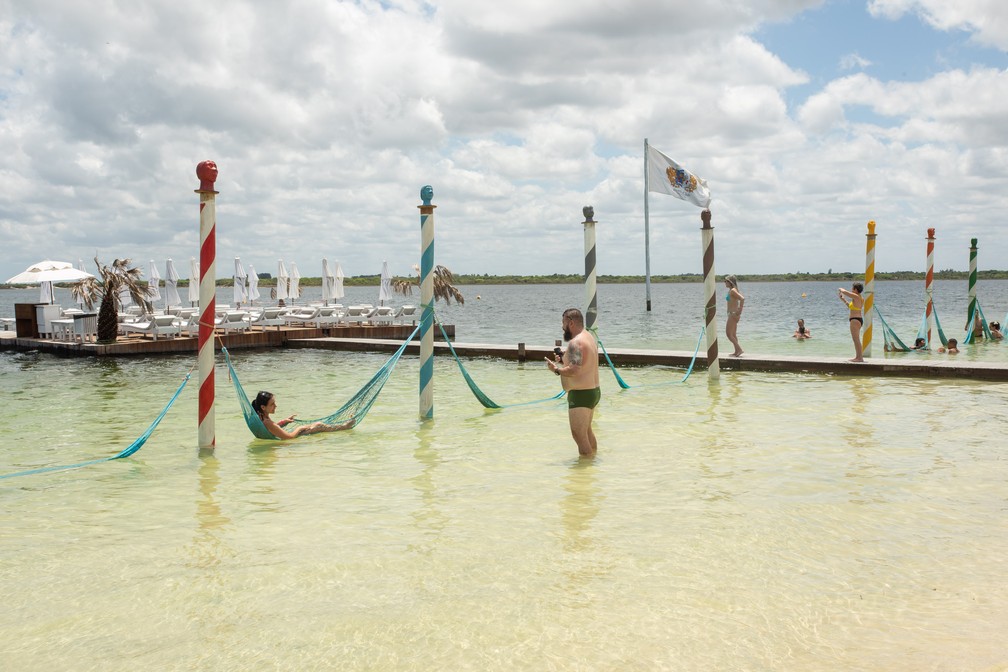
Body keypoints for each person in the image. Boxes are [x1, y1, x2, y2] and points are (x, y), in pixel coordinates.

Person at [545, 308, 600, 458]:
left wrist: (556, 370)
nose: (562, 327)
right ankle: (594, 461)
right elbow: (582, 361)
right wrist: (564, 359)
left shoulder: (575, 343)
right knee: (587, 431)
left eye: (563, 322)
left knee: (579, 436)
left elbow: (575, 370)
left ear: (570, 323)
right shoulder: (588, 337)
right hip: (593, 391)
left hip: (581, 394)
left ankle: (585, 467)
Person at [251, 390, 354, 439]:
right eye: (272, 404)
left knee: (317, 425)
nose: (276, 406)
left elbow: (272, 429)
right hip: (289, 439)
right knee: (319, 425)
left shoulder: (261, 417)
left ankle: (343, 426)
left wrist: (284, 422)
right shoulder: (267, 422)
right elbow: (289, 437)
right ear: (263, 407)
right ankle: (345, 427)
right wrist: (299, 428)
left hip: (278, 436)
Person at [838, 283, 864, 362]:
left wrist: (840, 289)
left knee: (856, 339)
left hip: (855, 320)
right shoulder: (858, 298)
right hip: (857, 319)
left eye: (852, 288)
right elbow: (851, 307)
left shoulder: (856, 296)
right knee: (856, 339)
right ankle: (858, 357)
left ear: (855, 289)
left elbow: (845, 292)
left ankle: (859, 358)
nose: (851, 290)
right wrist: (843, 300)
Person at [724, 275, 744, 356]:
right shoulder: (732, 290)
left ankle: (739, 349)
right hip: (732, 314)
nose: (725, 282)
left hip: (733, 314)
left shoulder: (733, 290)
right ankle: (736, 351)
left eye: (726, 281)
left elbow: (742, 298)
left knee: (729, 334)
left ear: (730, 282)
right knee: (733, 334)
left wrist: (740, 310)